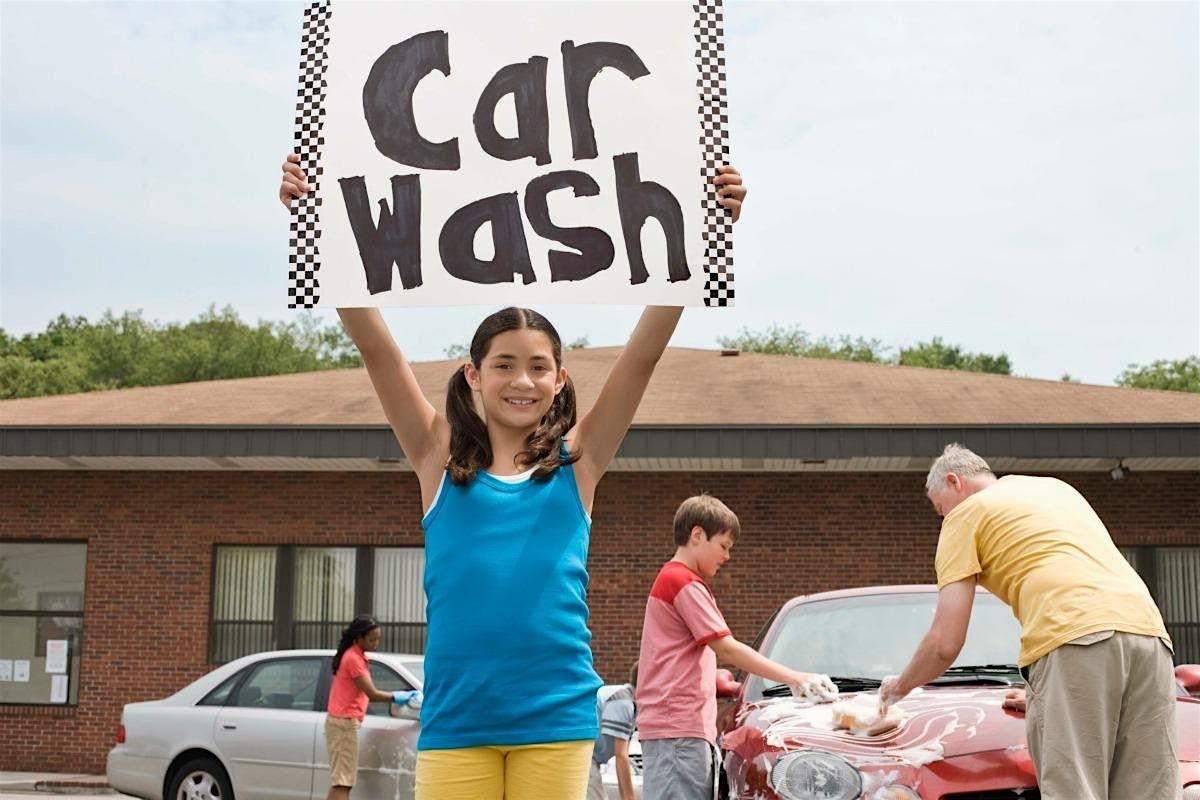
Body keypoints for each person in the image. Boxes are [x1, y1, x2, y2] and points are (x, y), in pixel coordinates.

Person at [279, 158, 746, 800]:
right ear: (473, 375)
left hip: (554, 721)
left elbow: (642, 357)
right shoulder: (435, 458)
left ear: (559, 380)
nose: (521, 380)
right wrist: (315, 223)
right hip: (455, 723)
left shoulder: (578, 461)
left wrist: (703, 225)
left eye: (537, 367)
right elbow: (377, 347)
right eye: (503, 364)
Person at [879, 443, 1180, 800]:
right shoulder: (1055, 489)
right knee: (1150, 791)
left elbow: (945, 642)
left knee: (1076, 790)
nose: (943, 517)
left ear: (954, 481)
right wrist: (1047, 696)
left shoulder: (966, 515)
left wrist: (899, 688)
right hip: (1149, 635)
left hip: (1072, 636)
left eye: (939, 508)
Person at [636, 494, 837, 800]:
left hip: (676, 728)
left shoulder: (674, 579)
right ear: (697, 535)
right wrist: (797, 678)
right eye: (724, 546)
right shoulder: (683, 581)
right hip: (677, 729)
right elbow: (726, 647)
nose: (727, 556)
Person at [326, 615, 422, 800]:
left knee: (341, 780)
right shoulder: (353, 659)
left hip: (343, 723)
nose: (376, 643)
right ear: (359, 638)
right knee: (343, 783)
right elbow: (372, 694)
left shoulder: (356, 656)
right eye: (372, 639)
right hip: (344, 724)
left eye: (378, 638)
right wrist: (399, 696)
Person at [587, 664, 639, 800]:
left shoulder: (629, 701)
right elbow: (621, 755)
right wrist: (629, 797)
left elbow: (621, 756)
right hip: (584, 754)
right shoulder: (623, 702)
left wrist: (626, 796)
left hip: (589, 755)